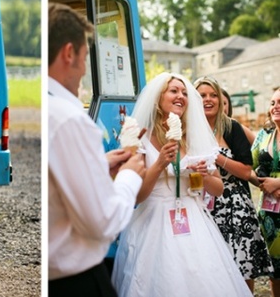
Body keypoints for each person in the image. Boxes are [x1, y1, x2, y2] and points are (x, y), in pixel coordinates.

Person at [111, 72, 252, 297]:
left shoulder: (195, 138)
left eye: (185, 93)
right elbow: (137, 197)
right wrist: (159, 164)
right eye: (174, 91)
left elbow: (219, 189)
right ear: (158, 98)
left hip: (193, 219)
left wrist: (204, 175)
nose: (181, 96)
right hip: (153, 222)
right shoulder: (140, 137)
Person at [48, 2, 146, 297]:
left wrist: (99, 165)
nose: (84, 70)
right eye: (85, 57)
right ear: (69, 53)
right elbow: (101, 222)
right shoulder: (70, 119)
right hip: (76, 282)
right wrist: (130, 176)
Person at [194, 76, 273, 293]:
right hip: (201, 206)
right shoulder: (186, 130)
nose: (208, 100)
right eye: (202, 95)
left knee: (242, 267)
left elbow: (247, 170)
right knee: (209, 268)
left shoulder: (231, 127)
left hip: (234, 206)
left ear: (220, 100)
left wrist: (218, 157)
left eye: (213, 95)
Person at [251, 87, 280, 296]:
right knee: (276, 270)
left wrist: (278, 184)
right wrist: (264, 184)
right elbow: (249, 168)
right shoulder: (263, 135)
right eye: (272, 103)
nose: (276, 107)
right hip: (270, 213)